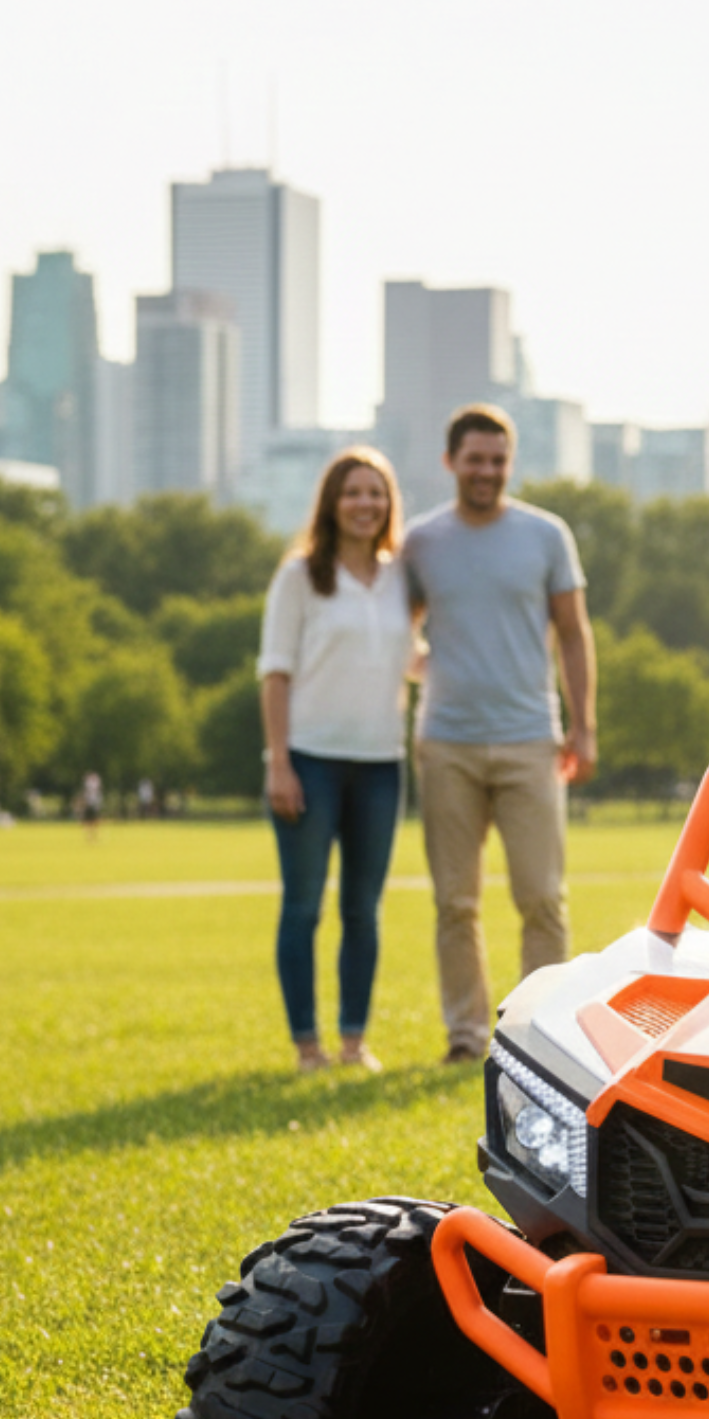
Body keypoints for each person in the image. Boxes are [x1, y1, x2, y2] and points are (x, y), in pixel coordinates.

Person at [404, 404, 597, 1064]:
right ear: (450, 462)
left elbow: (573, 633)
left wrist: (585, 726)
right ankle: (464, 1036)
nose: (486, 471)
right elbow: (393, 631)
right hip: (446, 742)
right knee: (456, 901)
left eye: (497, 460)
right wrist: (426, 665)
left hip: (529, 739)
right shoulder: (421, 541)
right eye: (474, 459)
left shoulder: (546, 536)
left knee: (541, 895)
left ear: (509, 465)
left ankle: (537, 1036)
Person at [257, 447, 413, 1072]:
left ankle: (353, 1042)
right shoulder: (300, 576)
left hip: (381, 764)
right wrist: (279, 762)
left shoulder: (403, 577)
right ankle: (307, 1046)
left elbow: (413, 657)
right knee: (303, 906)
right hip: (310, 763)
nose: (364, 504)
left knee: (363, 908)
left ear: (388, 504)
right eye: (352, 492)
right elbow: (274, 672)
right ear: (331, 502)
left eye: (375, 493)